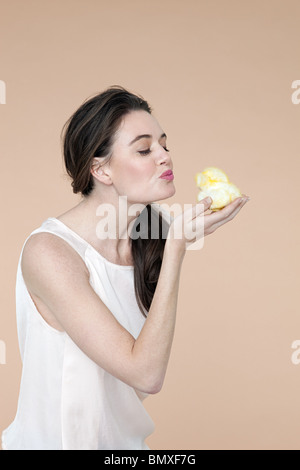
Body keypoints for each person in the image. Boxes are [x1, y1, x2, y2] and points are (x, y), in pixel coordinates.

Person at [1, 85, 250, 450]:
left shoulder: (152, 240)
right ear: (101, 170)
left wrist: (173, 243)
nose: (165, 156)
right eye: (145, 149)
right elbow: (146, 374)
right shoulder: (49, 252)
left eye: (165, 144)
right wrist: (178, 248)